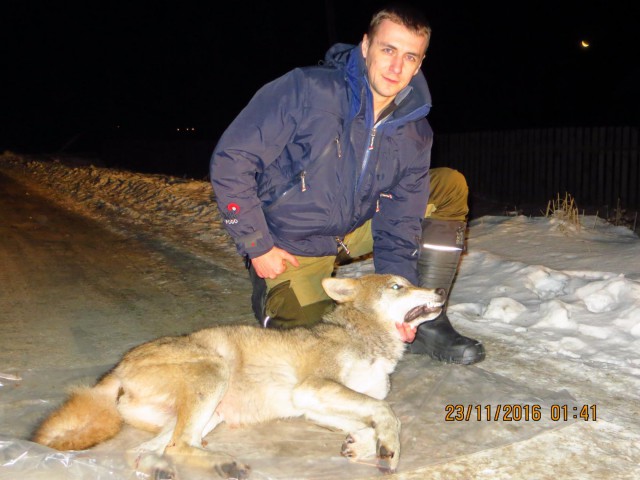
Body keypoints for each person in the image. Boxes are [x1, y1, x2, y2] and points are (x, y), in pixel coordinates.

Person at [210, 4, 485, 365]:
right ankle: (275, 298)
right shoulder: (306, 90)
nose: (396, 67)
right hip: (291, 246)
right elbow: (233, 159)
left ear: (419, 64)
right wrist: (256, 244)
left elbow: (399, 222)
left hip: (356, 229)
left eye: (409, 56)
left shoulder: (415, 132)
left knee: (448, 186)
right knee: (316, 354)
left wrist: (404, 306)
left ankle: (427, 320)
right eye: (388, 50)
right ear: (366, 46)